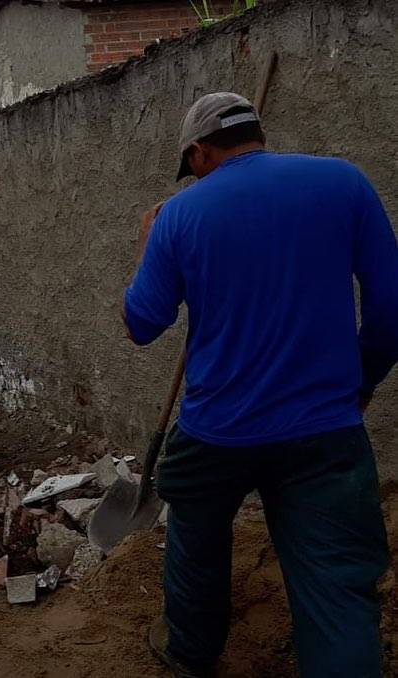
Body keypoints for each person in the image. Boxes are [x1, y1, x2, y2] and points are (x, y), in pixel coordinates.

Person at [123, 92, 398, 677]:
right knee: (337, 585)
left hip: (215, 431)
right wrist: (362, 382)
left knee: (196, 542)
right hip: (325, 431)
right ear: (257, 134)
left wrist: (149, 244)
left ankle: (191, 652)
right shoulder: (345, 183)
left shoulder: (179, 215)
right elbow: (390, 311)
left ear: (198, 153)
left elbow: (142, 325)